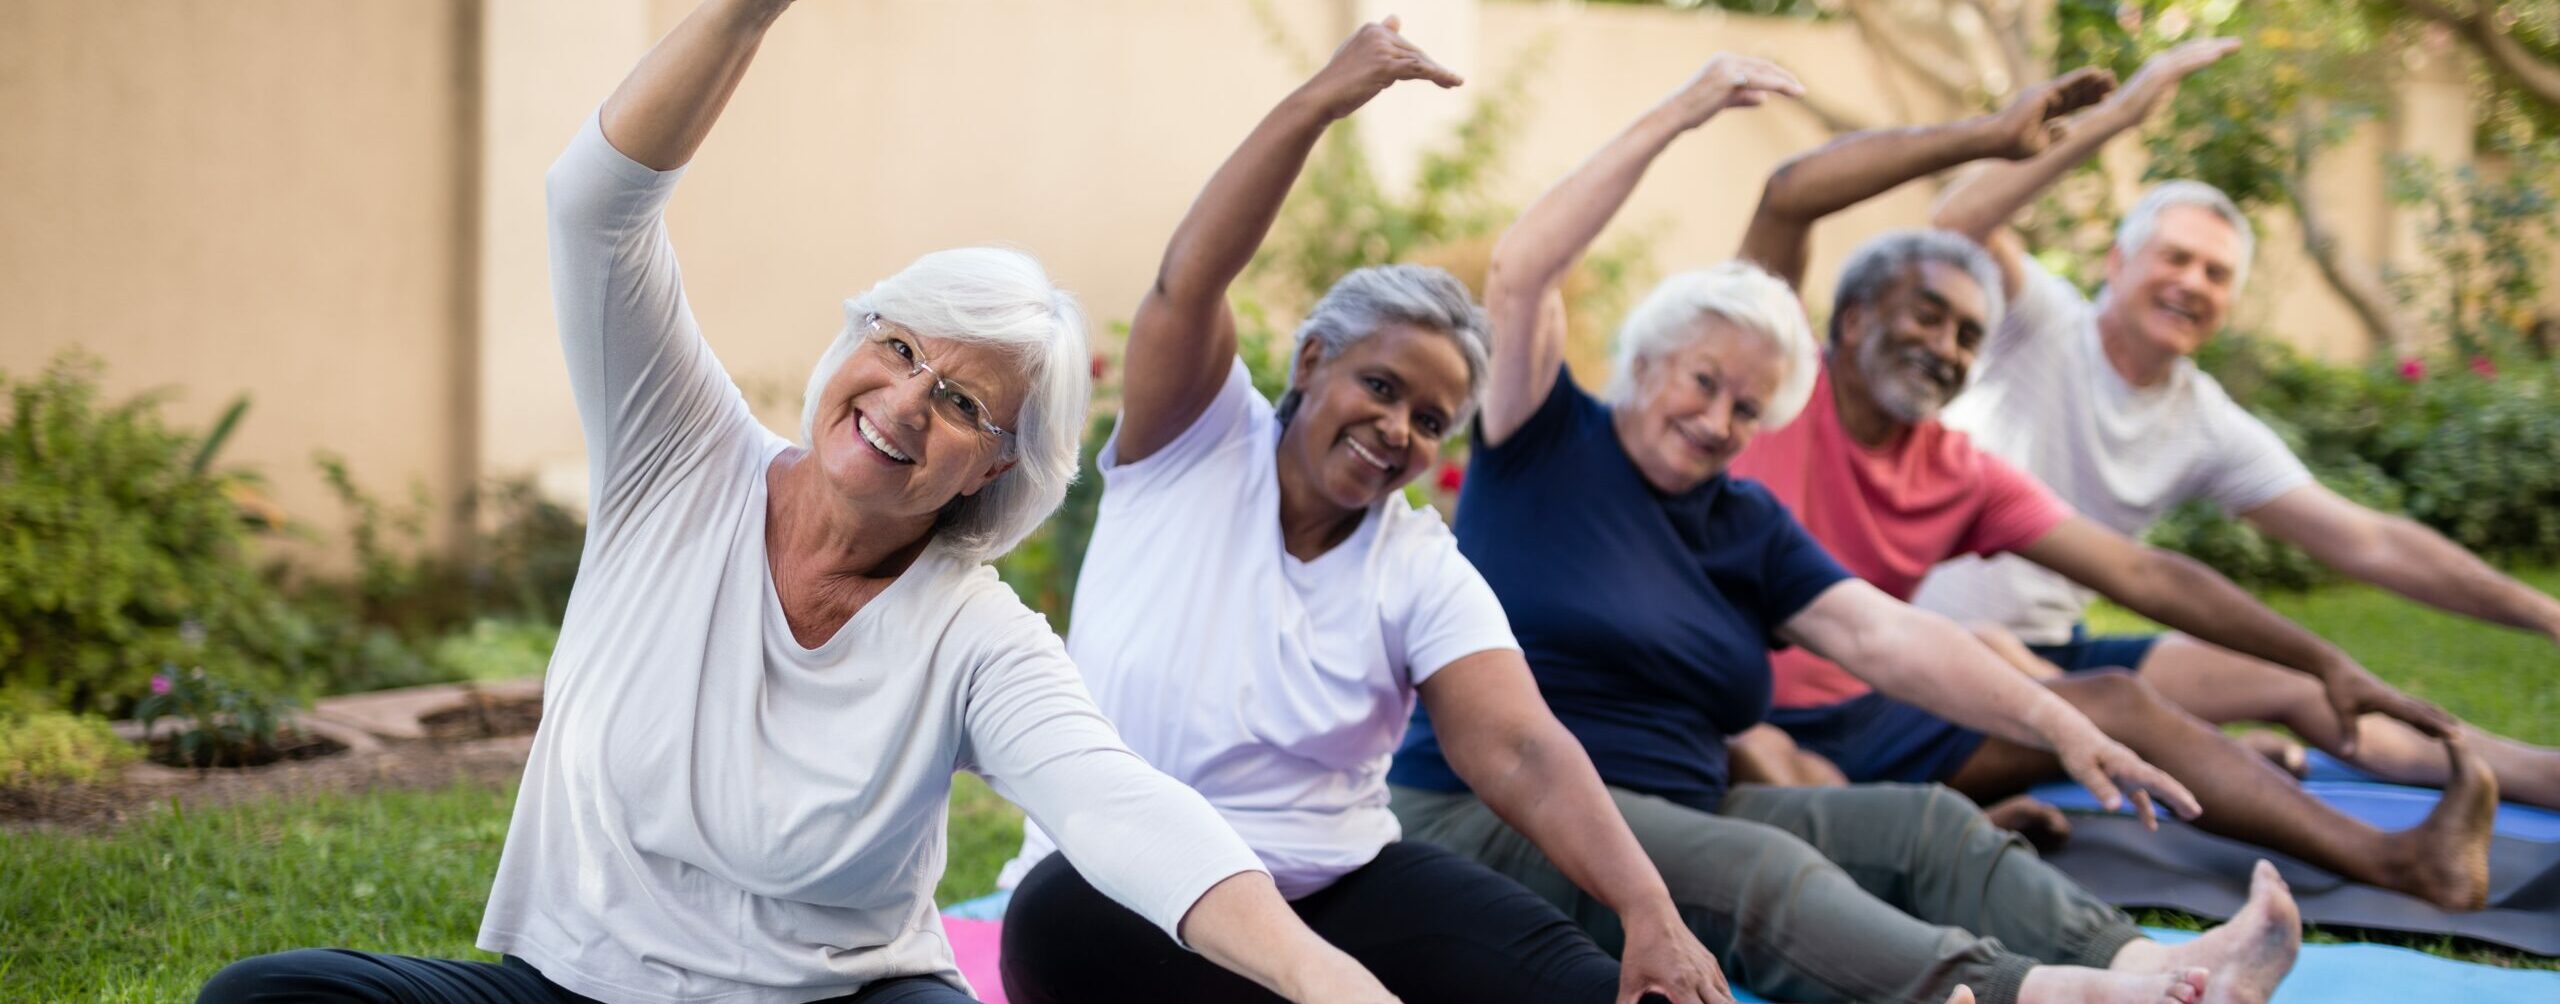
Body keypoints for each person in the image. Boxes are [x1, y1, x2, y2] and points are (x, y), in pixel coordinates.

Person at [197, 3, 1408, 1002]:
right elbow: (593, 210)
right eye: (896, 347)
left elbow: (1119, 805)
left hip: (842, 1000)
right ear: (854, 340)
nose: (905, 401)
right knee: (266, 997)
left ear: (995, 467)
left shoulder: (970, 633)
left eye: (965, 405)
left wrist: (1316, 975)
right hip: (573, 988)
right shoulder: (675, 454)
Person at [1386, 54, 2293, 1004]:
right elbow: (1524, 268)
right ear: (1648, 360)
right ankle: (2059, 998)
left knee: (1925, 825)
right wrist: (1682, 112)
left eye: (1747, 407)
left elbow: (1888, 636)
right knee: (1761, 873)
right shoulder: (1543, 440)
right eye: (1704, 380)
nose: (1717, 418)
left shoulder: (1744, 521)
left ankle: (2152, 964)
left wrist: (2063, 723)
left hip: (1682, 804)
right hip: (1491, 814)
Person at [995, 20, 1728, 1004]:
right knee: (1067, 923)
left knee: (1570, 973)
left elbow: (1519, 745)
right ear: (1309, 365)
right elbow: (1189, 279)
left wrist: (1652, 912)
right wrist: (1317, 103)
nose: (1396, 428)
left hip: (1332, 886)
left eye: (1429, 419)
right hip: (1120, 894)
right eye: (1379, 387)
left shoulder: (1417, 566)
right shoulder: (1193, 447)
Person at [1713, 65, 2495, 911]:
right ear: (1856, 318)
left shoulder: (1959, 469)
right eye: (1927, 317)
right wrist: (1988, 136)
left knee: (2112, 701)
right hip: (1721, 705)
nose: (1947, 348)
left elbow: (2145, 575)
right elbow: (1788, 197)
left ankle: (2400, 860)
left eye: (1969, 335)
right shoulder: (1779, 385)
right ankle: (1924, 826)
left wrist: (2323, 660)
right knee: (1768, 761)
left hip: (1872, 710)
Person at [1912, 38, 2560, 813]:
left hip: (2060, 656)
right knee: (2082, 695)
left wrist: (2545, 613)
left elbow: (2369, 541)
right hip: (1933, 650)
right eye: (2175, 258)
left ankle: (2538, 777)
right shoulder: (2039, 321)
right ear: (2116, 266)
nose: (2193, 283)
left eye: (2216, 274)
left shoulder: (2203, 418)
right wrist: (2119, 117)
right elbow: (1951, 227)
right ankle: (2195, 753)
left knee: (2297, 676)